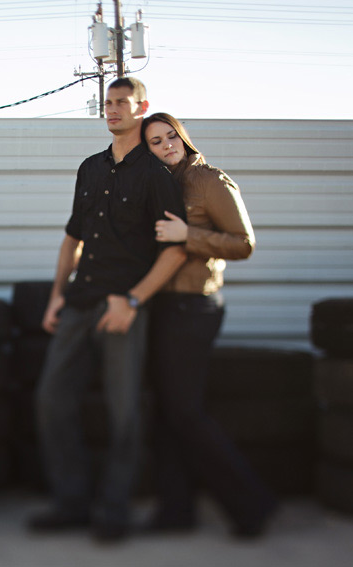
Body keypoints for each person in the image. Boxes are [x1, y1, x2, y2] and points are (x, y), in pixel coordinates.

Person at [29, 78, 187, 542]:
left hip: (123, 309)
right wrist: (58, 293)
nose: (113, 110)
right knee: (51, 401)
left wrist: (135, 300)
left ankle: (113, 511)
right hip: (79, 302)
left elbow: (175, 250)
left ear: (143, 108)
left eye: (122, 103)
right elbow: (73, 238)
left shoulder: (156, 175)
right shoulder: (91, 167)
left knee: (124, 414)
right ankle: (72, 502)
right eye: (108, 103)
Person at [141, 112, 278, 538]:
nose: (167, 146)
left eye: (171, 137)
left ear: (182, 137)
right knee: (167, 413)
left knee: (185, 412)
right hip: (162, 307)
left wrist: (188, 235)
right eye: (156, 142)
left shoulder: (209, 180)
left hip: (194, 309)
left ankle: (253, 503)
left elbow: (244, 243)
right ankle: (176, 512)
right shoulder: (159, 183)